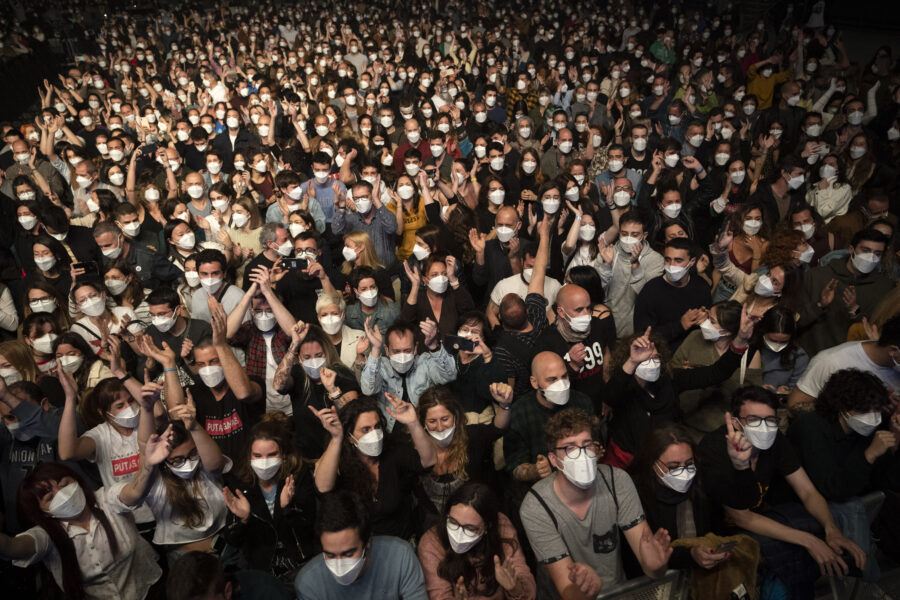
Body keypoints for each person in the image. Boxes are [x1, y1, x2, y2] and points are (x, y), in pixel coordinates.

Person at [698, 386, 866, 600]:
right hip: (726, 529)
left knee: (821, 526)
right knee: (795, 544)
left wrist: (831, 529)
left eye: (770, 420)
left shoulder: (775, 441)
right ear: (735, 422)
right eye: (753, 419)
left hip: (762, 514)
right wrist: (808, 541)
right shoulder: (714, 448)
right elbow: (740, 516)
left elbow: (807, 491)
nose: (764, 427)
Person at [519, 407, 673, 598]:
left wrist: (655, 566)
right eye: (570, 448)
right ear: (554, 459)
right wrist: (590, 588)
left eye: (587, 444)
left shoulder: (617, 481)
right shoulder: (536, 506)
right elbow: (569, 592)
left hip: (616, 592)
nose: (581, 454)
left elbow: (650, 565)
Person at [0, 431, 172, 599]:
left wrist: (149, 465)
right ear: (42, 511)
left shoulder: (105, 499)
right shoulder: (48, 535)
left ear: (75, 479)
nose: (62, 493)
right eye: (49, 497)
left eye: (64, 483)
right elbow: (11, 547)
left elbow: (134, 492)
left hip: (151, 589)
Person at [310, 395, 436, 539]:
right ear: (350, 437)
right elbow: (323, 487)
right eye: (365, 429)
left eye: (377, 427)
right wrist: (337, 438)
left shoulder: (393, 451)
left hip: (400, 540)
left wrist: (413, 423)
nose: (374, 434)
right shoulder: (340, 460)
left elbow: (429, 461)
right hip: (360, 545)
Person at [222, 414, 317, 584]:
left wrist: (287, 508)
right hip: (261, 569)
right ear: (249, 456)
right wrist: (242, 520)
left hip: (300, 564)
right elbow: (232, 540)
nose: (264, 462)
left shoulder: (298, 477)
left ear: (283, 454)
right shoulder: (240, 485)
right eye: (257, 456)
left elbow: (310, 528)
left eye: (272, 454)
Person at [294, 489, 427, 599]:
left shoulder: (400, 557)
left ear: (368, 541)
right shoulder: (309, 583)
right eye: (330, 555)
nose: (339, 565)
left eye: (348, 554)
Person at [417, 482, 536, 600]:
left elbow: (527, 586)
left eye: (470, 528)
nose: (458, 534)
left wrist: (515, 588)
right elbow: (439, 595)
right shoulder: (430, 543)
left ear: (487, 527)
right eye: (453, 522)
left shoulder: (501, 525)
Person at [415, 385, 512, 520]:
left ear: (455, 416)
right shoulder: (414, 449)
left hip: (472, 519)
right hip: (433, 522)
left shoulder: (472, 437)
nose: (440, 427)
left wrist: (505, 405)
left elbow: (498, 429)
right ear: (423, 423)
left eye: (445, 419)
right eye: (432, 421)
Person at [359, 319, 456, 430]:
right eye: (396, 351)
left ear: (415, 348)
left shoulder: (425, 361)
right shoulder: (380, 366)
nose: (402, 356)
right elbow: (368, 389)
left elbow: (449, 376)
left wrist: (434, 345)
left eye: (407, 350)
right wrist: (375, 349)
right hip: (391, 434)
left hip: (423, 429)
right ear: (387, 350)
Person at [633, 238, 712, 350]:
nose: (671, 265)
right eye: (668, 259)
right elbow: (642, 336)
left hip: (695, 354)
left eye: (678, 260)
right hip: (662, 357)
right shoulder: (651, 291)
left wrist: (706, 318)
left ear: (692, 262)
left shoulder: (701, 286)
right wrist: (680, 325)